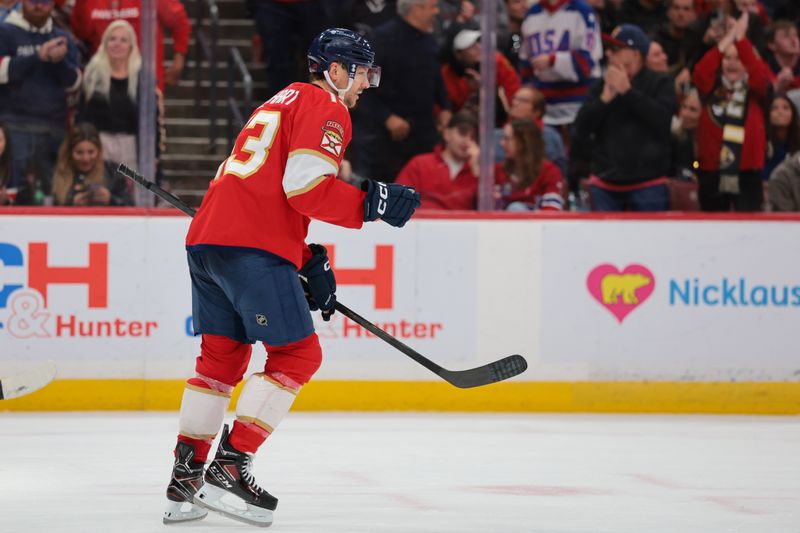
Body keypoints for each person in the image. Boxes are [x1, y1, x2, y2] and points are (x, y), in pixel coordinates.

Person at [162, 28, 420, 527]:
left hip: (208, 243)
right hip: (249, 249)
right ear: (335, 70)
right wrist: (373, 202)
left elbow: (264, 190)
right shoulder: (327, 106)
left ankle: (185, 479)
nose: (365, 85)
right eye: (361, 73)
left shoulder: (277, 102)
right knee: (299, 354)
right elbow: (304, 188)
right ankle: (230, 467)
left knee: (219, 363)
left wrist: (303, 257)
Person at [574, 24, 675, 211]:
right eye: (609, 49)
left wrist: (628, 92)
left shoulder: (660, 82)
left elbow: (662, 120)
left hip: (648, 183)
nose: (608, 54)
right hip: (605, 184)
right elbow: (580, 130)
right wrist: (603, 101)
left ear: (635, 54)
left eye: (615, 49)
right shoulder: (601, 86)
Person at [358, 0, 452, 182]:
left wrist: (445, 107)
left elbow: (436, 77)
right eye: (432, 7)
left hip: (424, 133)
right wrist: (387, 117)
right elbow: (365, 86)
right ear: (416, 9)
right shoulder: (381, 40)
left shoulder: (429, 40)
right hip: (389, 139)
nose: (436, 12)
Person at [0, 0, 80, 195]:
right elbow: (1, 71)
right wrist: (38, 56)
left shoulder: (62, 37)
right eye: (33, 1)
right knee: (15, 192)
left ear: (52, 4)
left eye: (44, 1)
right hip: (14, 127)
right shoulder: (5, 31)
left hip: (54, 129)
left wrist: (59, 62)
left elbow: (75, 82)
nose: (38, 6)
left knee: (55, 194)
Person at [693, 12, 771, 211]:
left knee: (750, 227)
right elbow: (700, 72)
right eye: (727, 58)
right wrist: (726, 40)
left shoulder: (756, 90)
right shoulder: (711, 86)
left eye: (738, 58)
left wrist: (741, 39)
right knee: (711, 227)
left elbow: (760, 76)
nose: (732, 63)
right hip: (711, 170)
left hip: (748, 171)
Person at [70, 0, 190, 91]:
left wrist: (178, 61)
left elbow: (179, 21)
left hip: (145, 83)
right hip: (103, 82)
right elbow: (81, 32)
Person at [519, 0, 603, 127]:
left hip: (579, 106)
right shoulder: (531, 13)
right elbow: (524, 60)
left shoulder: (583, 11)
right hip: (544, 108)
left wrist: (554, 61)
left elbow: (587, 62)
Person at [78, 20, 142, 170]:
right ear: (105, 43)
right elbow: (82, 114)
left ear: (131, 46)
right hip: (98, 145)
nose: (117, 44)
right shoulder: (92, 75)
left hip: (130, 146)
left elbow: (151, 119)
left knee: (130, 185)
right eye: (112, 39)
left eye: (123, 40)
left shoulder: (142, 77)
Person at [395, 110, 479, 210]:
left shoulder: (480, 173)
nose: (467, 141)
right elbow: (397, 202)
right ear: (447, 134)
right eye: (462, 132)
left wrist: (478, 172)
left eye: (473, 137)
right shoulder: (420, 164)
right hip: (422, 219)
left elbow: (488, 212)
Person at [247, 0, 330, 99]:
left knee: (318, 60)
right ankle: (282, 104)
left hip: (313, 5)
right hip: (271, 5)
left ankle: (318, 102)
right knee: (278, 62)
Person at [441, 28, 520, 126]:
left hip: (501, 121)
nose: (479, 47)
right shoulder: (447, 73)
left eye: (478, 42)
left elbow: (513, 93)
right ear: (458, 54)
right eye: (471, 46)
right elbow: (446, 108)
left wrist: (484, 88)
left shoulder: (497, 62)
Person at [50, 123, 133, 207]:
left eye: (91, 152)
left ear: (99, 151)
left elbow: (131, 207)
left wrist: (111, 199)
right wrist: (71, 204)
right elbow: (49, 207)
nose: (85, 159)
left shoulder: (113, 172)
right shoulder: (57, 175)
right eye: (79, 153)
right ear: (69, 153)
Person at [496, 118, 565, 211]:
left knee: (516, 208)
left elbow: (552, 210)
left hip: (537, 220)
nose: (501, 143)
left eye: (507, 139)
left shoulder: (549, 171)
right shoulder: (498, 170)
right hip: (501, 220)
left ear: (524, 141)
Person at [501, 85, 567, 176]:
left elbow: (560, 171)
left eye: (522, 100)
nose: (515, 103)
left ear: (536, 111)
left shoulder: (550, 136)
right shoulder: (497, 135)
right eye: (514, 98)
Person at [764, 94, 800, 181]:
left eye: (785, 108)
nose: (780, 112)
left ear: (793, 113)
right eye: (774, 108)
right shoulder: (761, 141)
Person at [765, 20, 800, 93]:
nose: (793, 40)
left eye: (795, 35)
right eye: (786, 36)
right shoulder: (765, 70)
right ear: (772, 45)